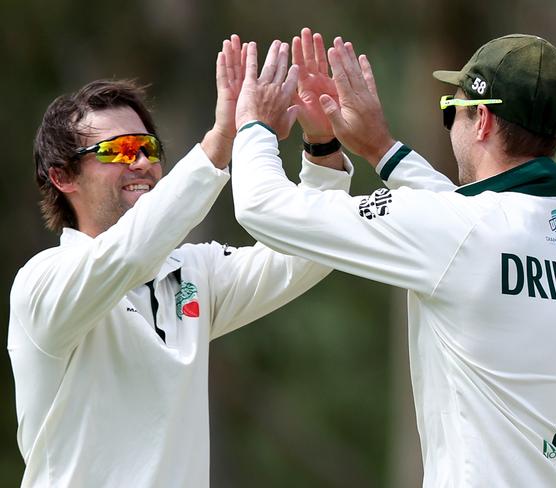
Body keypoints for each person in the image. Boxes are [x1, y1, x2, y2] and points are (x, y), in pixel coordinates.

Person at [231, 32, 556, 487]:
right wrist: (381, 149)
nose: (449, 122)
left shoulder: (460, 233)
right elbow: (464, 227)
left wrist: (254, 125)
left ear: (483, 121)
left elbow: (261, 208)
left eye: (450, 111)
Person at [7, 35, 353, 487]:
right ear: (61, 176)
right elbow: (129, 252)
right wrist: (223, 139)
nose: (141, 163)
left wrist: (322, 147)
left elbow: (306, 255)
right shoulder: (42, 284)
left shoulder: (192, 272)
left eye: (148, 148)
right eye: (117, 151)